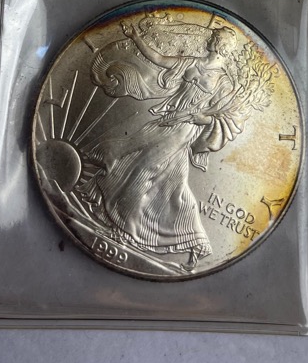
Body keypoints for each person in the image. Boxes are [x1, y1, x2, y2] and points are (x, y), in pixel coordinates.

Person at [81, 21, 242, 273]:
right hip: (164, 121)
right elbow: (158, 58)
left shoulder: (224, 83)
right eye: (213, 37)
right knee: (166, 181)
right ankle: (194, 243)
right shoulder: (192, 62)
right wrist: (135, 37)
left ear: (222, 46)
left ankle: (126, 231)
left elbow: (226, 118)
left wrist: (194, 116)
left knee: (142, 170)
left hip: (183, 130)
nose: (210, 40)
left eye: (215, 38)